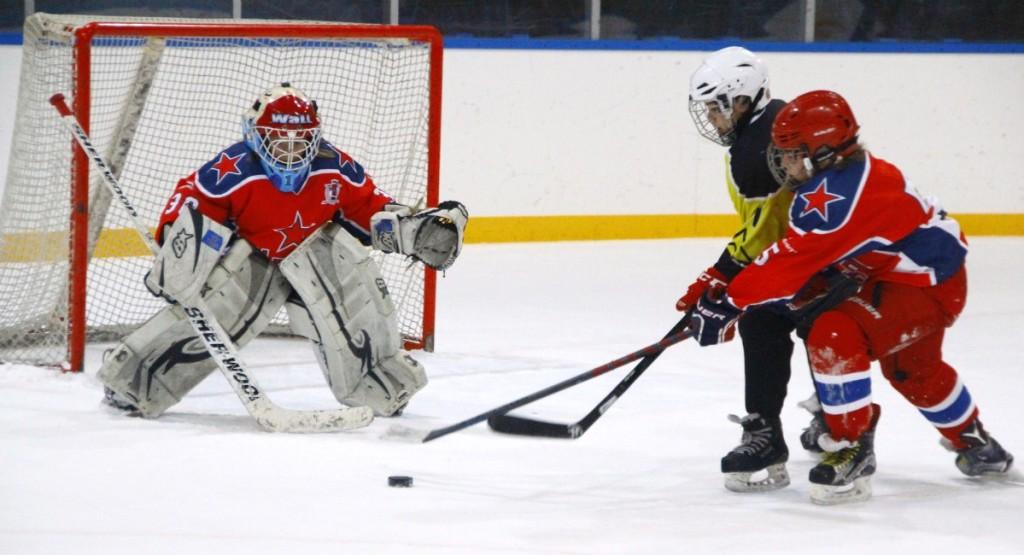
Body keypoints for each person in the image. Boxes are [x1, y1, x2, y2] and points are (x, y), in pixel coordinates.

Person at [689, 89, 1014, 504]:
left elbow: (789, 263)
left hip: (926, 288)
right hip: (900, 277)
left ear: (821, 151)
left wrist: (730, 302)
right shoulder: (841, 177)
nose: (781, 162)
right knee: (914, 370)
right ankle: (975, 443)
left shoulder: (840, 196)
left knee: (833, 332)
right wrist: (731, 290)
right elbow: (802, 261)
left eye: (791, 153)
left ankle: (849, 443)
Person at [98, 83, 468, 420]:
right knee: (216, 308)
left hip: (315, 258)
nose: (291, 151)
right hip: (253, 262)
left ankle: (381, 384)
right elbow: (189, 208)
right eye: (279, 140)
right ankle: (134, 382)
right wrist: (178, 252)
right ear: (256, 137)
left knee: (354, 301)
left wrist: (410, 229)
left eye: (300, 141)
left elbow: (368, 209)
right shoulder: (231, 171)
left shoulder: (334, 167)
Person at [681, 46, 825, 493]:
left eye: (715, 108)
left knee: (822, 331)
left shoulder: (755, 148)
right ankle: (778, 429)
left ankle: (845, 430)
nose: (712, 119)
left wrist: (721, 278)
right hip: (797, 261)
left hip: (823, 263)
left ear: (740, 100)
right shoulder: (771, 121)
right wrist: (722, 275)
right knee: (763, 323)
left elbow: (762, 234)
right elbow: (765, 231)